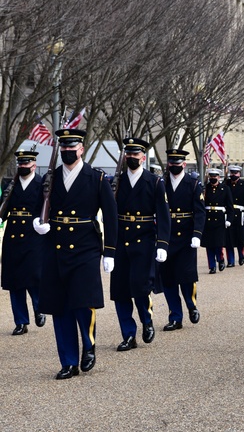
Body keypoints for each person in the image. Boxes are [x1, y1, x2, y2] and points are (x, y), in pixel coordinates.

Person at [34, 128, 117, 380]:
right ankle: (68, 361)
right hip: (56, 248)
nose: (68, 152)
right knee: (60, 308)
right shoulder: (51, 178)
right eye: (64, 148)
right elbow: (39, 207)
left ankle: (89, 346)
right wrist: (38, 223)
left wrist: (109, 252)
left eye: (73, 148)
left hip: (85, 248)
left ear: (81, 149)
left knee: (83, 302)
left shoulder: (97, 178)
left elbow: (111, 217)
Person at [110, 137, 170, 351]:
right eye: (129, 154)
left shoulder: (153, 181)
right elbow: (109, 214)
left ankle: (147, 320)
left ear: (143, 157)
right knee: (120, 291)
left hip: (144, 241)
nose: (132, 158)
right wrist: (107, 247)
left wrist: (162, 244)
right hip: (120, 241)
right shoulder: (116, 182)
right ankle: (128, 334)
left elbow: (163, 216)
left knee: (140, 287)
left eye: (136, 155)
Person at [1, 149, 46, 335]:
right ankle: (20, 321)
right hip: (13, 234)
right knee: (14, 281)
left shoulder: (42, 183)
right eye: (20, 164)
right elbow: (3, 208)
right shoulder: (10, 184)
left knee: (34, 277)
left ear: (34, 165)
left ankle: (39, 308)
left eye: (26, 164)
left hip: (32, 234)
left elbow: (47, 205)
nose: (22, 167)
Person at [160, 149, 206, 330]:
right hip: (167, 236)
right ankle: (175, 316)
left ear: (184, 164)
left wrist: (197, 234)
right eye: (172, 162)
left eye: (178, 163)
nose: (175, 166)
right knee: (168, 279)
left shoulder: (193, 184)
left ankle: (191, 305)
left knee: (186, 277)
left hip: (186, 236)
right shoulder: (161, 183)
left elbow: (200, 212)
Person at [202, 168, 232, 274]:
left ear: (219, 177)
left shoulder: (225, 188)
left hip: (219, 219)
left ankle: (220, 259)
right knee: (209, 245)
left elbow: (229, 206)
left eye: (215, 177)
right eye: (211, 176)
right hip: (208, 219)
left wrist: (229, 219)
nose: (213, 178)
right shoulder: (205, 189)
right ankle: (212, 266)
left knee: (219, 244)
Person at [224, 165, 244, 267]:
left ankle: (241, 255)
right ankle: (230, 260)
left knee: (240, 238)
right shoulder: (226, 184)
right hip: (229, 214)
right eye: (232, 173)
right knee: (229, 239)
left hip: (240, 215)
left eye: (235, 173)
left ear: (239, 174)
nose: (233, 175)